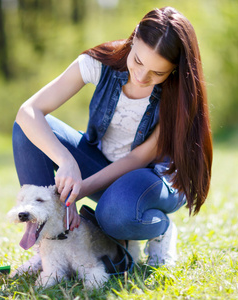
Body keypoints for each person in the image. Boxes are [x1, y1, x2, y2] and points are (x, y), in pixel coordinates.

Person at [12, 6, 213, 267]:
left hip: (152, 179)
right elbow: (28, 111)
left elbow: (138, 158)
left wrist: (75, 192)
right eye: (138, 61)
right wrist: (66, 161)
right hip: (103, 165)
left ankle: (160, 228)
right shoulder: (99, 63)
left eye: (158, 73)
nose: (141, 77)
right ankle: (49, 246)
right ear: (133, 39)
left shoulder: (179, 95)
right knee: (26, 130)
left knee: (114, 216)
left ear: (174, 69)